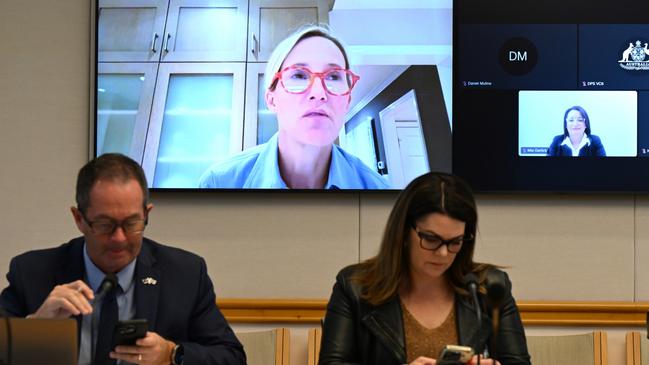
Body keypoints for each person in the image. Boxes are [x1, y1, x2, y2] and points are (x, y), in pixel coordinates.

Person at [0, 153, 245, 365]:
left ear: (146, 214)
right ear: (78, 219)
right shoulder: (32, 273)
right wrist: (35, 327)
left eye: (131, 223)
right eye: (105, 225)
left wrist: (171, 354)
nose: (119, 238)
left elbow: (231, 357)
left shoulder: (185, 274)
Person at [318, 172, 530, 365]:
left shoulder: (489, 288)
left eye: (455, 241)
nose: (443, 254)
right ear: (403, 232)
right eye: (431, 239)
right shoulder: (355, 287)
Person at [199, 25, 390, 190]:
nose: (319, 92)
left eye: (333, 76)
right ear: (272, 99)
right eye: (299, 75)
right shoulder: (219, 183)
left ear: (347, 101)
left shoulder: (379, 193)